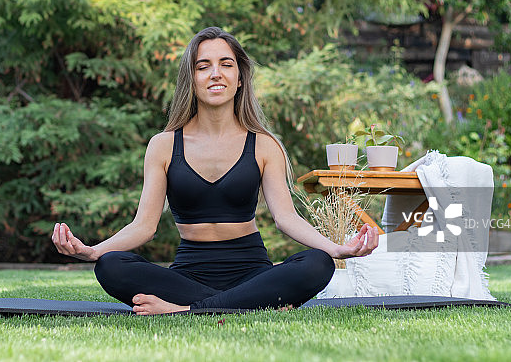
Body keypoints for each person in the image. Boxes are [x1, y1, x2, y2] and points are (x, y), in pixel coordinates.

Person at [52, 27, 378, 315]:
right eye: (203, 66)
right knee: (111, 265)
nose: (215, 73)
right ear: (191, 80)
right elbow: (144, 226)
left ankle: (186, 310)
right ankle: (248, 305)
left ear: (239, 79)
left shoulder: (264, 145)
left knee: (317, 263)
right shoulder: (164, 145)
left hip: (252, 270)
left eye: (226, 64)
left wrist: (336, 249)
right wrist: (93, 251)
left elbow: (285, 218)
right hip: (187, 275)